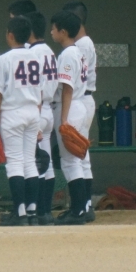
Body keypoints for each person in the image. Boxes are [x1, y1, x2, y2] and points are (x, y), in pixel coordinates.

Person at [0, 17, 44, 226]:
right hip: (33, 111)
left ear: (10, 35)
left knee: (15, 162)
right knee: (29, 161)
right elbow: (41, 93)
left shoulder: (4, 59)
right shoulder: (36, 58)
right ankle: (32, 211)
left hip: (12, 113)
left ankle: (19, 212)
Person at [50, 11, 88, 226]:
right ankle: (79, 209)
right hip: (78, 105)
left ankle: (77, 210)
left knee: (70, 162)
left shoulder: (67, 54)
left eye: (54, 28)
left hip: (70, 106)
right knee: (75, 161)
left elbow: (67, 88)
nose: (51, 32)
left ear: (63, 32)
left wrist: (63, 119)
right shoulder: (77, 52)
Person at [63, 1, 96, 223]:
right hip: (83, 99)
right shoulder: (84, 42)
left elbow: (71, 83)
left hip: (80, 99)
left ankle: (82, 206)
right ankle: (86, 205)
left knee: (77, 157)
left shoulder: (81, 44)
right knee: (83, 157)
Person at [25, 12, 59, 225]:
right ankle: (45, 211)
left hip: (36, 109)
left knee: (34, 162)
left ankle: (36, 210)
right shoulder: (49, 51)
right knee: (47, 162)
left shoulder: (31, 53)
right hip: (48, 109)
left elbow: (34, 87)